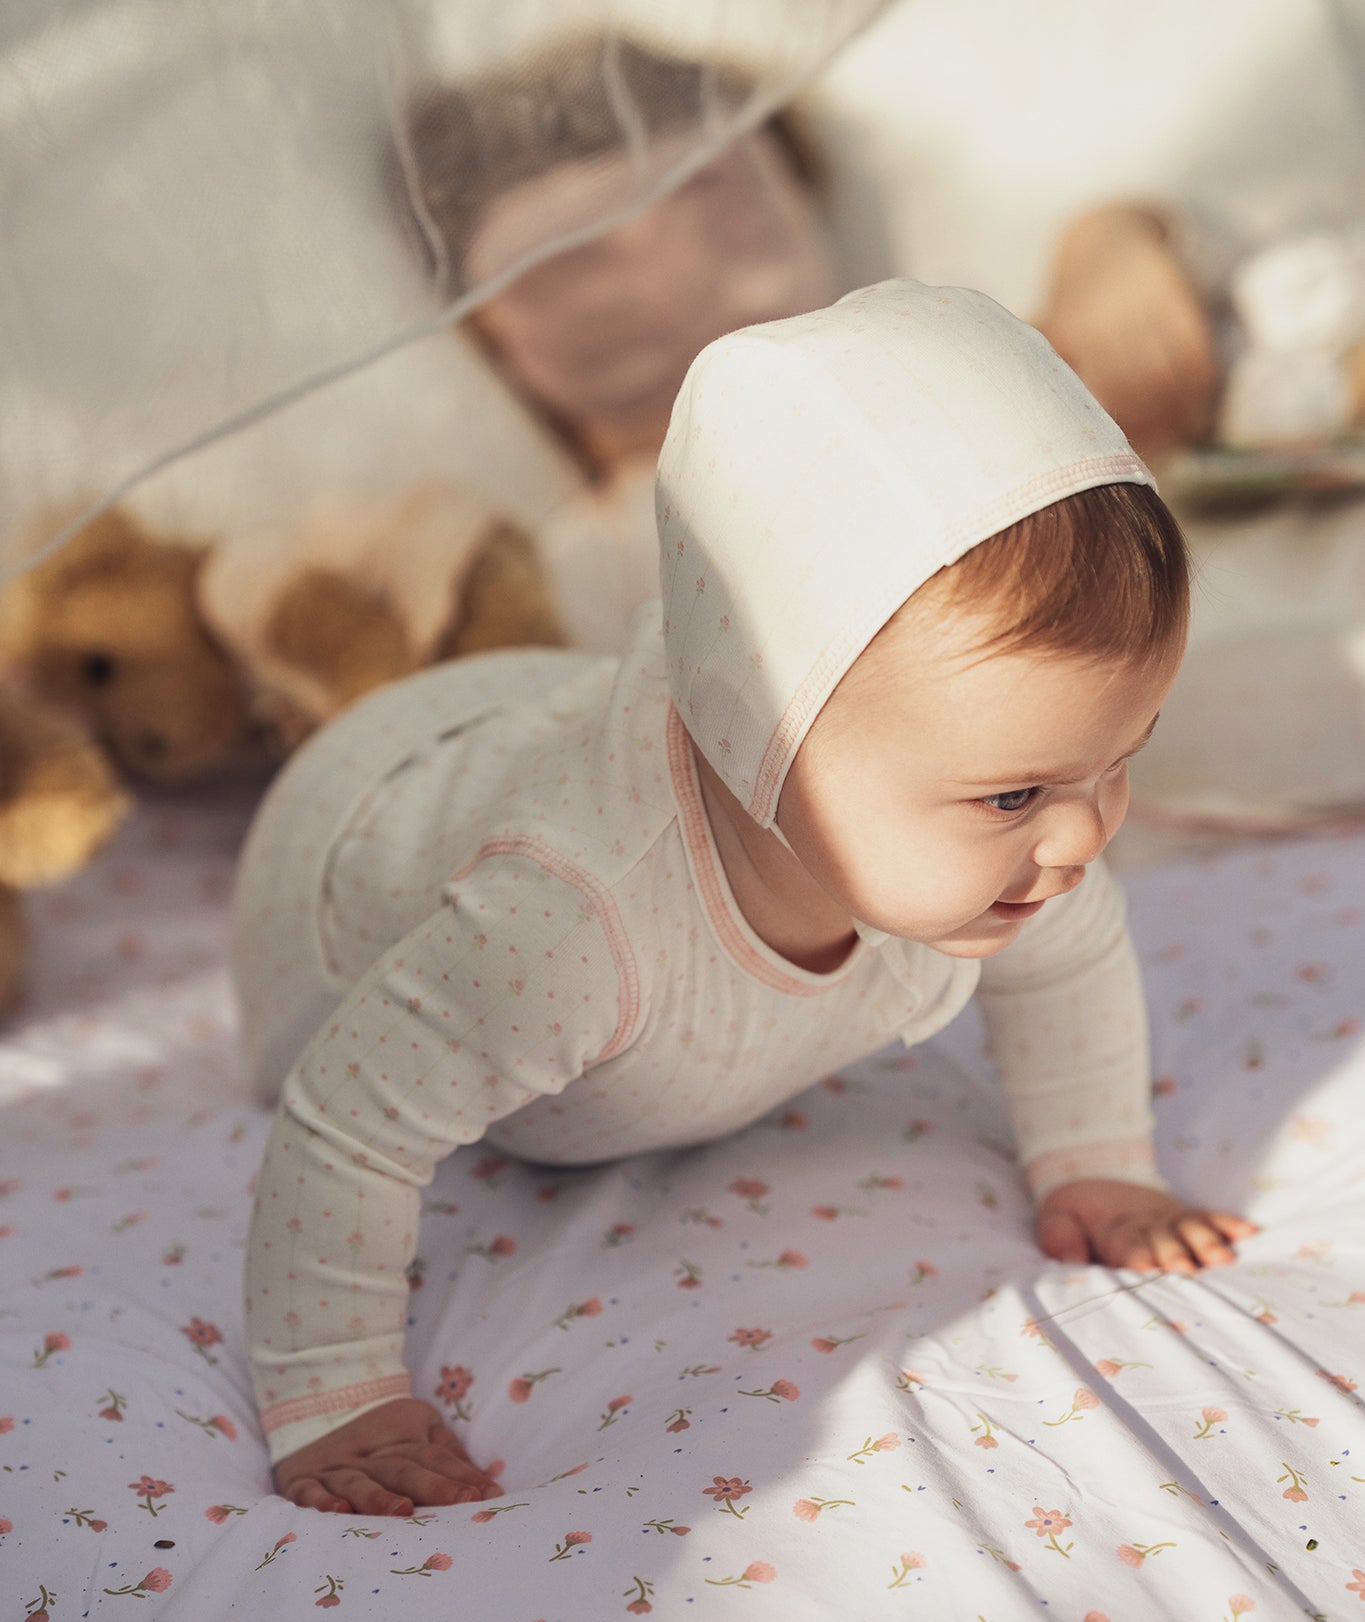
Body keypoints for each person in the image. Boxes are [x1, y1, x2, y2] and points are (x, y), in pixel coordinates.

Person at [234, 280, 1256, 1518]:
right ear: (761, 733)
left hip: (550, 712)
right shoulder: (569, 922)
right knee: (333, 1027)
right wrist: (336, 1394)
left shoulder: (1010, 865)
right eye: (1014, 793)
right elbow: (350, 1118)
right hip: (350, 846)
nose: (1087, 832)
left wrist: (1097, 1162)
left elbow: (1072, 963)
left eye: (1121, 756)